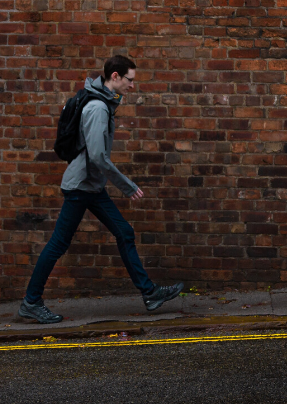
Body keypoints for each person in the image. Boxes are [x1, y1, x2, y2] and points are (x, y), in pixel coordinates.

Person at [19, 55, 184, 324]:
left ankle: (150, 293)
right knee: (58, 244)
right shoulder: (98, 107)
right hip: (81, 187)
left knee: (124, 231)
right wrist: (127, 186)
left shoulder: (103, 102)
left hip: (91, 186)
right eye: (130, 80)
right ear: (115, 77)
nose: (133, 86)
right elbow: (97, 156)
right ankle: (31, 302)